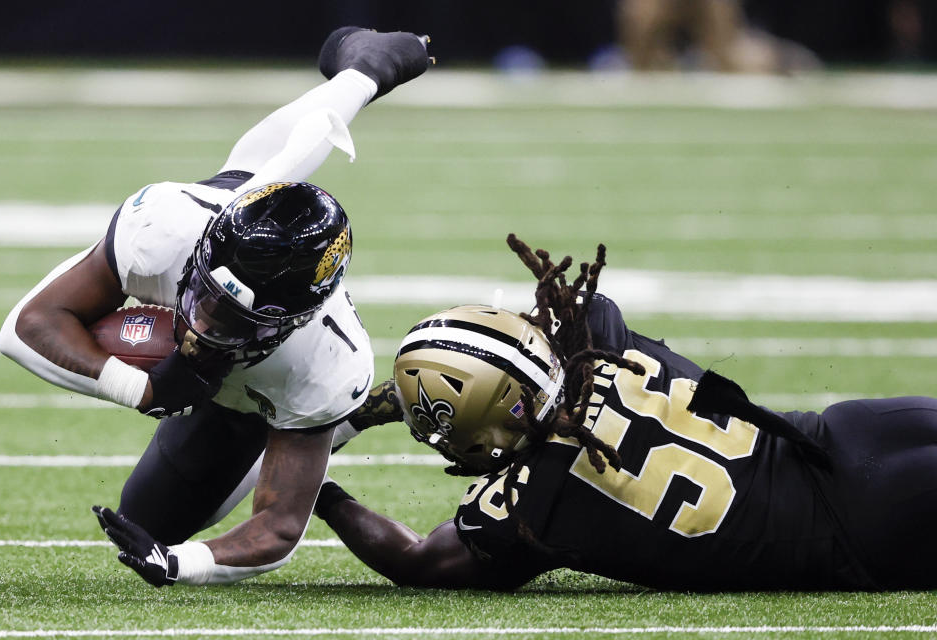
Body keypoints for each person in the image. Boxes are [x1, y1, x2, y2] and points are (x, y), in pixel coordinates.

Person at [0, 26, 432, 587]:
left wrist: (182, 564)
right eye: (205, 295)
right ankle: (370, 68)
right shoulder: (166, 229)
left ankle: (334, 425)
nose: (200, 324)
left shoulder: (322, 360)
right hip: (229, 195)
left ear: (294, 319)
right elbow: (25, 326)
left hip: (252, 393)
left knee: (151, 523)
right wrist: (143, 388)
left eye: (233, 318)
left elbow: (277, 528)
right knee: (282, 147)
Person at [313, 233, 937, 591]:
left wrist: (321, 488)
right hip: (852, 430)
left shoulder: (531, 509)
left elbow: (414, 559)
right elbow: (556, 330)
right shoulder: (597, 333)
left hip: (855, 531)